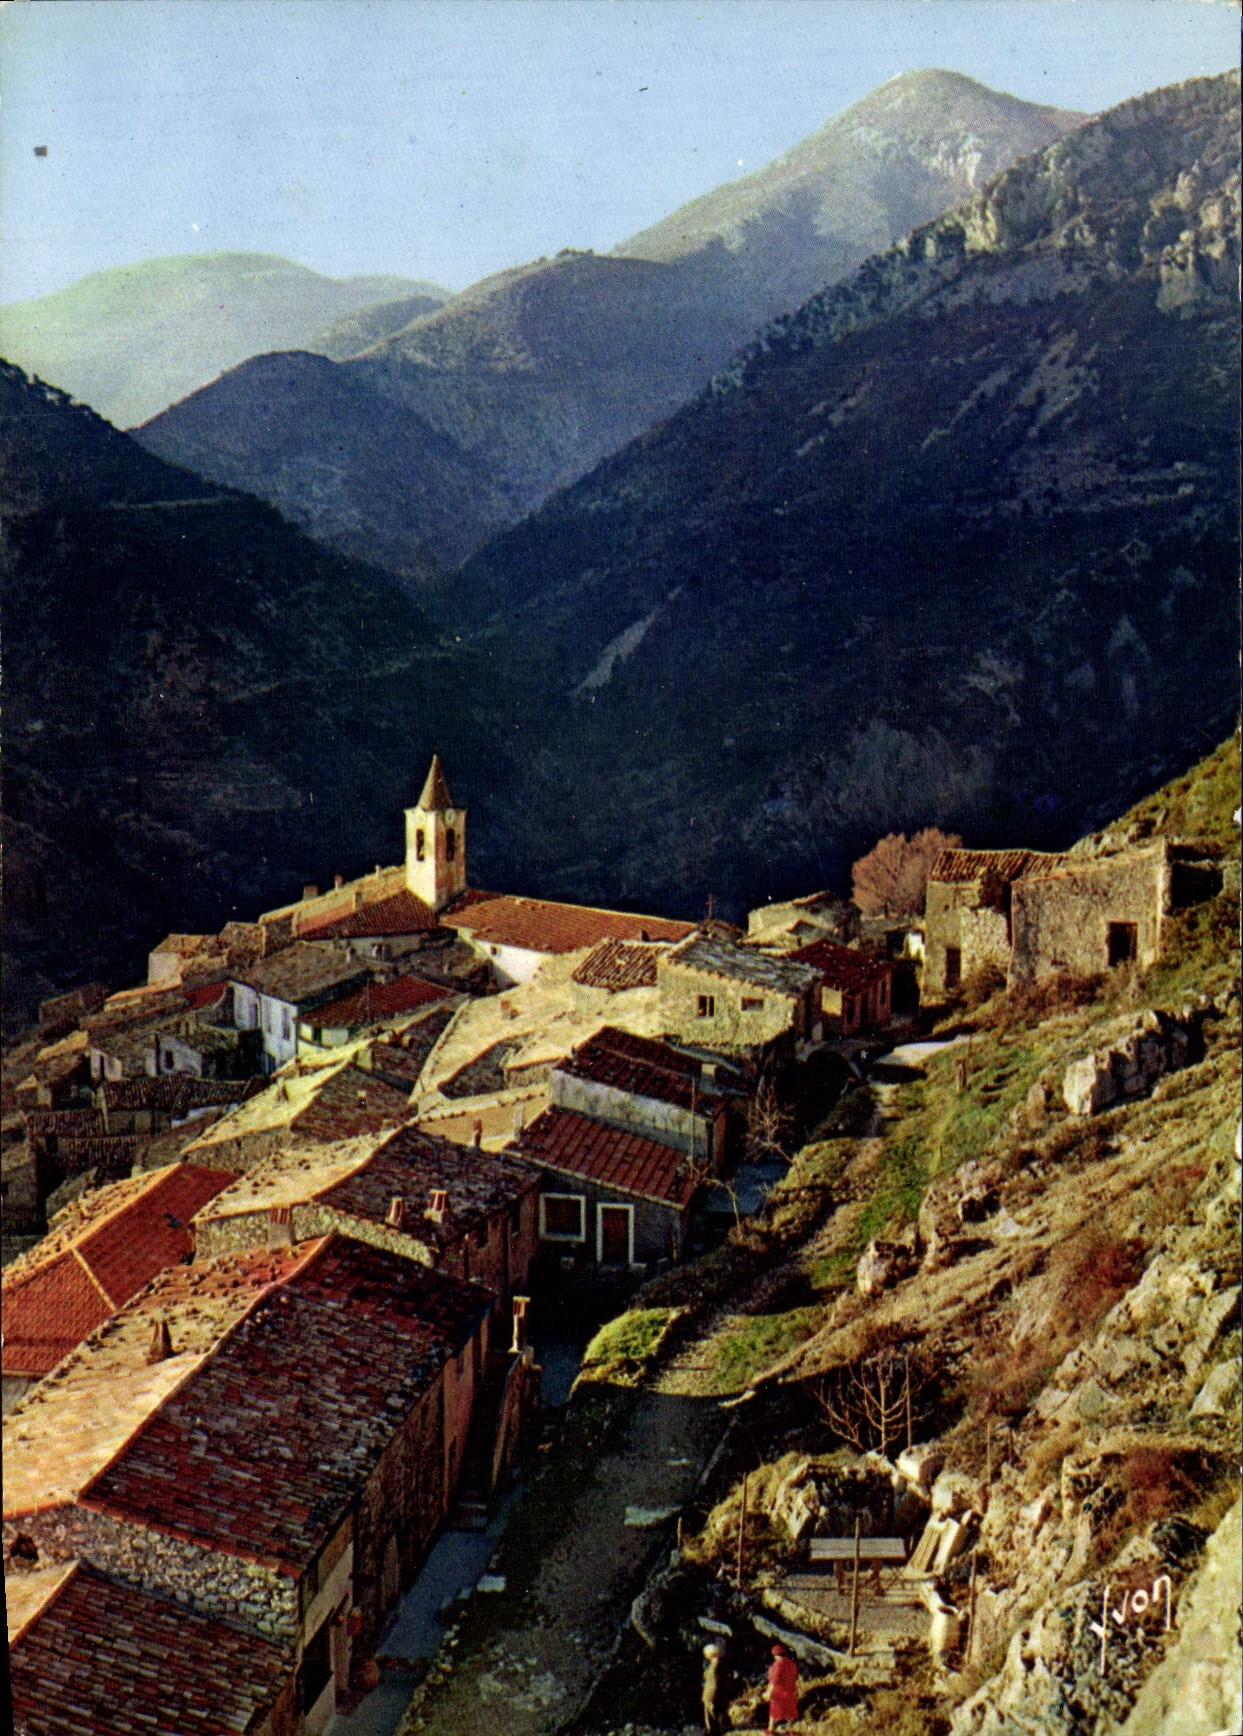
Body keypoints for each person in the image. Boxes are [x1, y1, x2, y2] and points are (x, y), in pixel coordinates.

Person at [766, 1641, 799, 1733]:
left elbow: (774, 1680)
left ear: (775, 1655)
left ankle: (771, 1730)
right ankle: (790, 1730)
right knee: (790, 1711)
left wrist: (769, 1692)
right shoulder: (792, 1664)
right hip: (790, 1690)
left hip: (778, 1691)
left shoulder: (777, 1665)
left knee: (773, 1712)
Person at [701, 1641, 728, 1735]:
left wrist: (710, 1698)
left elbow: (714, 1683)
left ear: (710, 1654)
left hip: (711, 1694)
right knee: (714, 1716)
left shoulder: (715, 1666)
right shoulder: (715, 1664)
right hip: (711, 1694)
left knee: (711, 1717)